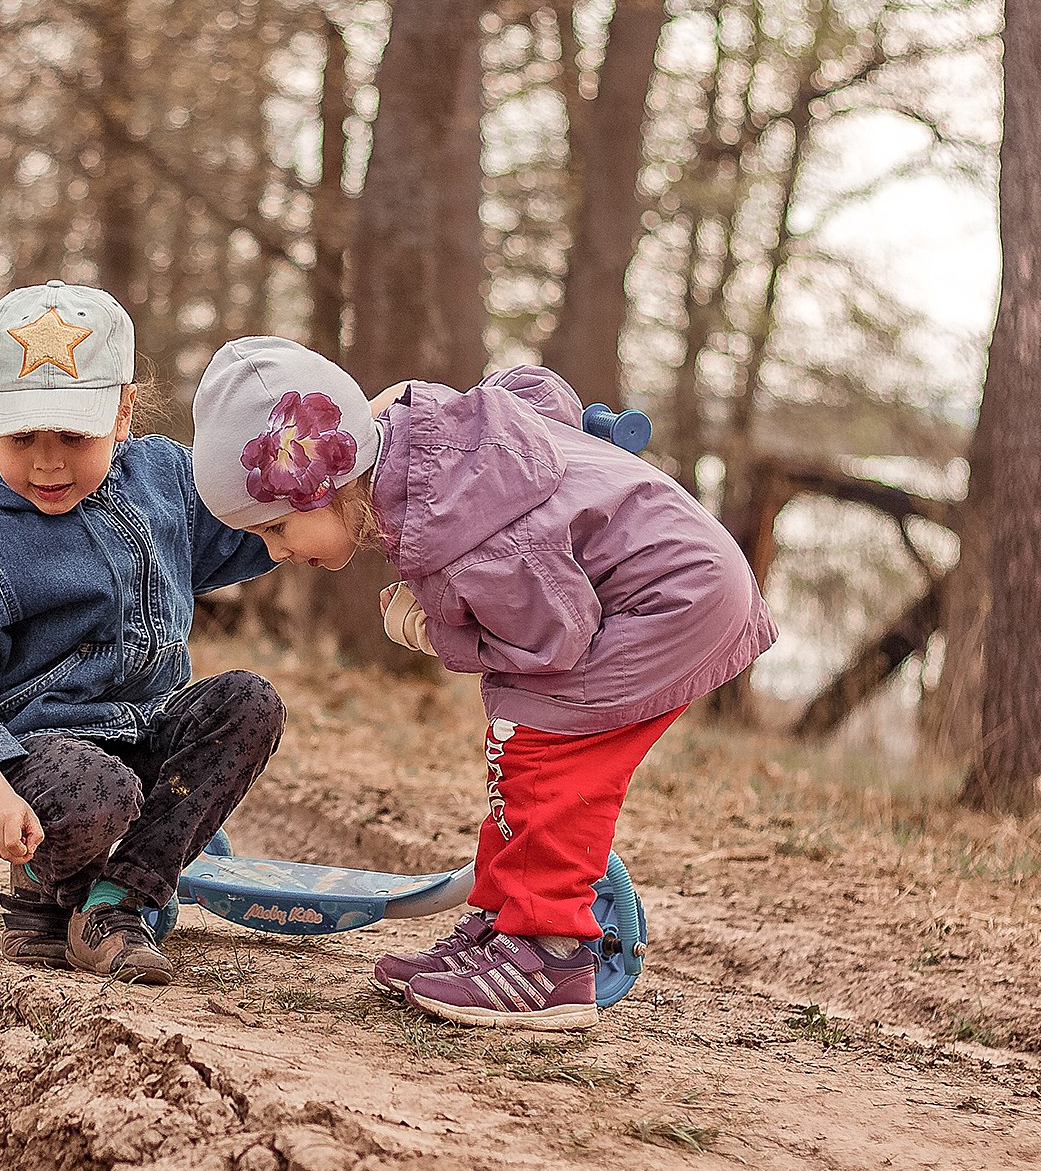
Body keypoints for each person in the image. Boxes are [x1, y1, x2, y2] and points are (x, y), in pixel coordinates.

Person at [190, 337, 775, 1029]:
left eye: (279, 528)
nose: (277, 551)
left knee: (545, 749)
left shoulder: (454, 534)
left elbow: (555, 638)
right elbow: (535, 391)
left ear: (328, 482)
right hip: (657, 584)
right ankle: (502, 925)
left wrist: (434, 628)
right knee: (519, 742)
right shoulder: (430, 448)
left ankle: (548, 956)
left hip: (669, 600)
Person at [0, 282, 286, 985]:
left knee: (249, 701)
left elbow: (232, 526)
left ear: (123, 413)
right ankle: (44, 891)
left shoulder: (163, 479)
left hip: (146, 736)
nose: (47, 462)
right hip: (35, 770)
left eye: (74, 436)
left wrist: (297, 513)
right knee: (94, 789)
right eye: (22, 438)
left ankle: (118, 897)